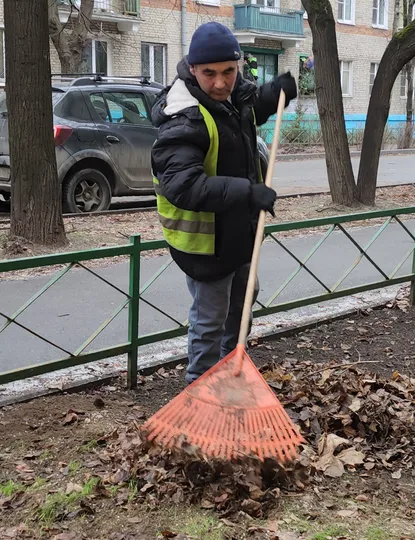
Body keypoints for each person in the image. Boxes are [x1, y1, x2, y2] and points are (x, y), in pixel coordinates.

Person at [150, 22, 297, 384]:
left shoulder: (232, 97)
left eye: (229, 72)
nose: (220, 83)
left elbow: (241, 117)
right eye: (210, 74)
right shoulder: (183, 119)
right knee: (210, 321)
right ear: (192, 69)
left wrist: (273, 94)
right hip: (205, 246)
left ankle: (231, 371)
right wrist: (248, 192)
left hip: (238, 233)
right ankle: (199, 391)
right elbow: (183, 185)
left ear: (239, 66)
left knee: (246, 300)